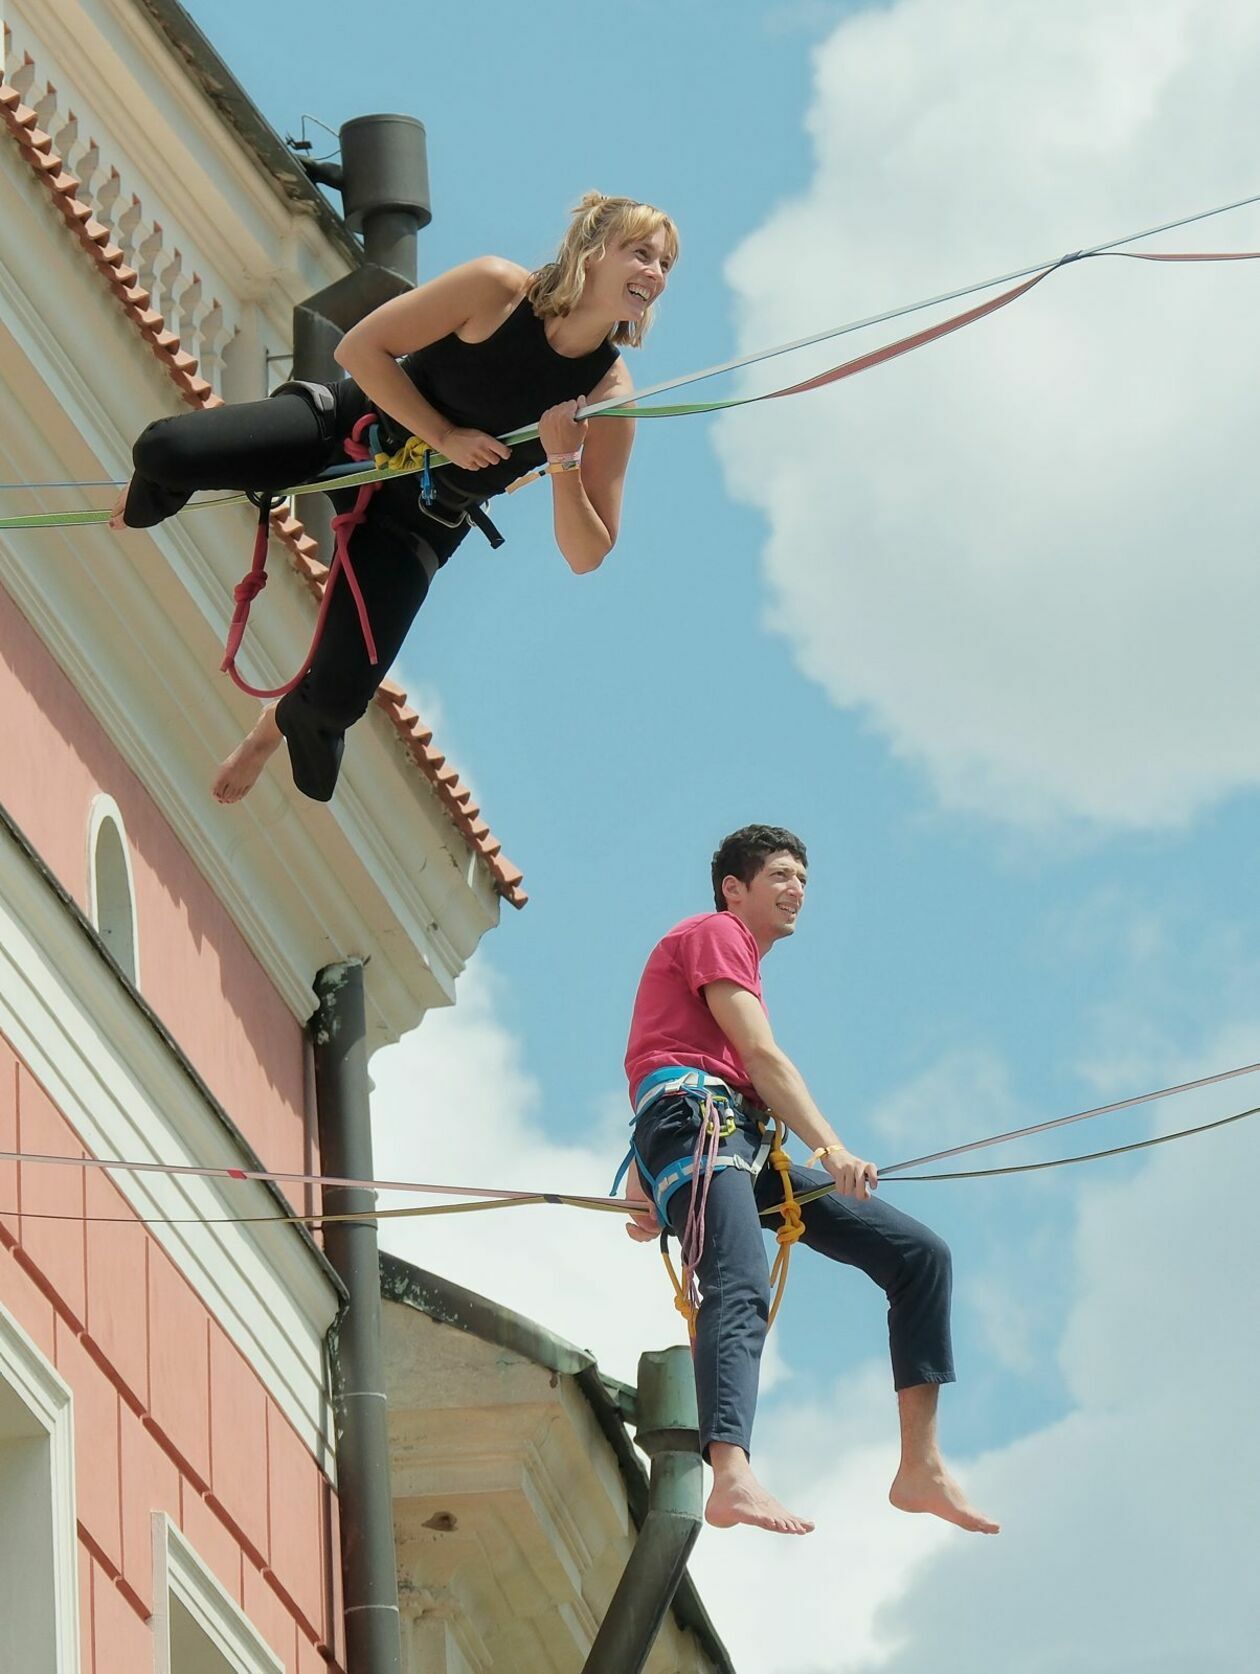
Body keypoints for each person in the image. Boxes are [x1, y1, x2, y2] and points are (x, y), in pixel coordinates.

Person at [109, 193, 677, 803]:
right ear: (592, 252)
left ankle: (274, 729)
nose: (655, 273)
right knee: (164, 450)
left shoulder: (609, 396)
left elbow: (587, 553)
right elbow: (358, 350)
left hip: (420, 521)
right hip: (350, 432)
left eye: (666, 265)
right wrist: (444, 436)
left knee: (333, 704)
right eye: (641, 254)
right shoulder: (496, 288)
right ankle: (158, 487)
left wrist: (564, 463)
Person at [621, 824, 999, 1538]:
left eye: (803, 880)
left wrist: (649, 1181)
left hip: (733, 1138)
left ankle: (920, 1468)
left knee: (921, 1256)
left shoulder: (728, 958)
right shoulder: (714, 931)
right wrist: (831, 1148)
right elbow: (758, 1058)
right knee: (740, 1281)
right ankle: (730, 1474)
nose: (797, 890)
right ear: (736, 888)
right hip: (698, 1124)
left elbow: (686, 1053)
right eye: (781, 877)